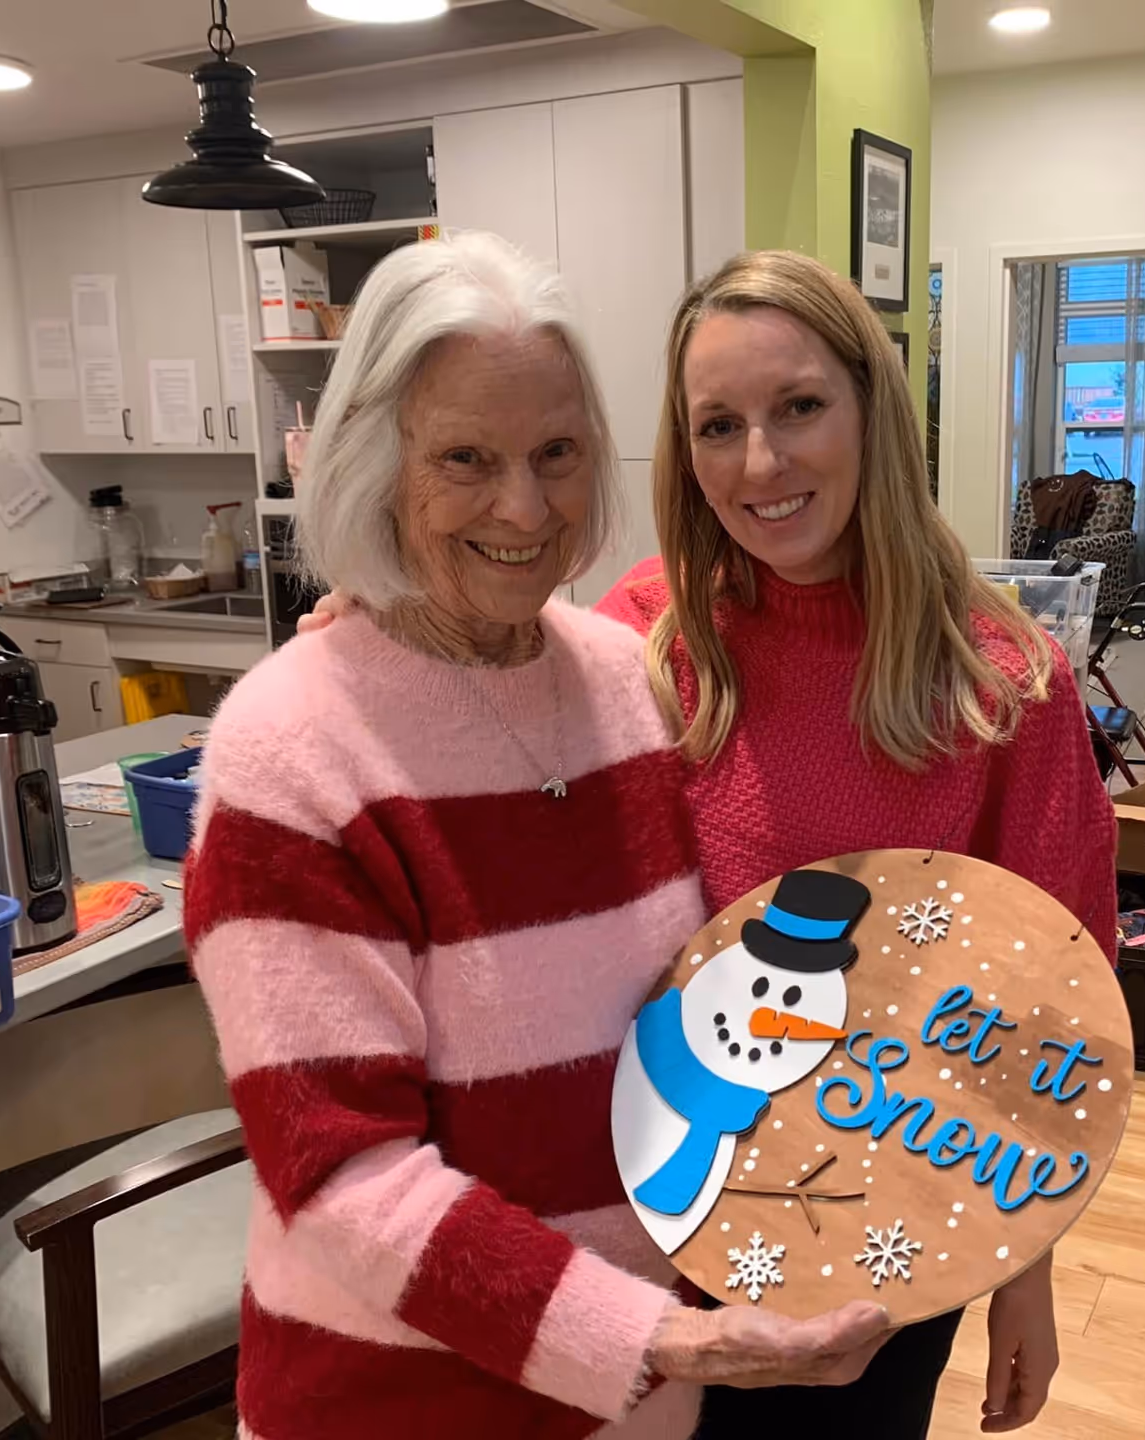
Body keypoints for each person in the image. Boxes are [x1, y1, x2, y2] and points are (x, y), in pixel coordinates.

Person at [183, 233, 890, 1440]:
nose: (525, 507)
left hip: (641, 1409)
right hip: (399, 1405)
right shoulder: (290, 752)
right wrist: (664, 1339)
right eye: (465, 457)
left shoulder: (632, 676)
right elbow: (345, 1177)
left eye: (556, 453)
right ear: (372, 462)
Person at [594, 249, 1119, 1437]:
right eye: (716, 425)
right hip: (648, 1210)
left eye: (800, 408)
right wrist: (371, 631)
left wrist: (1023, 1268)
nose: (761, 464)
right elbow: (471, 729)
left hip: (880, 1222)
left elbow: (1044, 1007)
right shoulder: (642, 637)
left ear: (874, 412)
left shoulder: (995, 681)